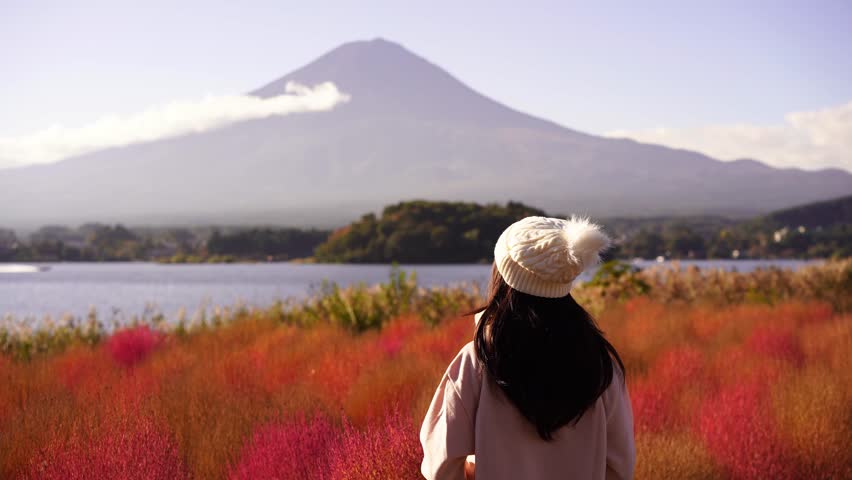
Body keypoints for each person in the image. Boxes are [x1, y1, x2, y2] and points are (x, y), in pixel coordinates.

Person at [420, 216, 635, 480]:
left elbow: (440, 465)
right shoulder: (600, 363)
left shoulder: (478, 360)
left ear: (502, 275)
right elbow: (619, 466)